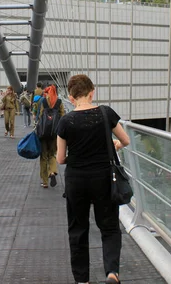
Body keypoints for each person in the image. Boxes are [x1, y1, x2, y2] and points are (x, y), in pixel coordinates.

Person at [56, 74, 130, 284]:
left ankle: (82, 280)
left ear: (71, 97)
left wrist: (78, 155)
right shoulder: (105, 113)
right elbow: (124, 140)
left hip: (76, 180)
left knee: (78, 229)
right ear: (92, 92)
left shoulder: (66, 121)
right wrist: (114, 145)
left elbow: (61, 158)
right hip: (104, 179)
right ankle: (112, 272)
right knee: (109, 227)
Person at [38, 85, 65, 188]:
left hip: (44, 133)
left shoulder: (44, 101)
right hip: (55, 133)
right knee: (52, 154)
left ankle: (45, 182)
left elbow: (40, 115)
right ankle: (52, 172)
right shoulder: (59, 102)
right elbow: (63, 116)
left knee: (43, 156)